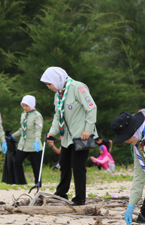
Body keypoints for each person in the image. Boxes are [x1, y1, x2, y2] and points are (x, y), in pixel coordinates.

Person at [41, 67, 97, 205]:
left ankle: (80, 198)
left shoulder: (78, 87)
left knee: (78, 167)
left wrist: (87, 129)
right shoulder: (59, 94)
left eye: (49, 84)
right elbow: (57, 116)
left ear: (57, 79)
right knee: (64, 164)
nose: (49, 87)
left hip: (81, 136)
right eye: (47, 85)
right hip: (66, 137)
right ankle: (61, 193)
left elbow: (91, 108)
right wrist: (52, 132)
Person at [11, 95, 43, 185]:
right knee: (17, 162)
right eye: (23, 105)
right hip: (23, 144)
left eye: (26, 106)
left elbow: (38, 130)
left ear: (32, 105)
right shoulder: (23, 114)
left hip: (33, 144)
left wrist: (37, 140)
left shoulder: (37, 115)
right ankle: (21, 182)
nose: (24, 108)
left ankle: (38, 184)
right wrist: (14, 135)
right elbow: (22, 129)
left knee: (36, 166)